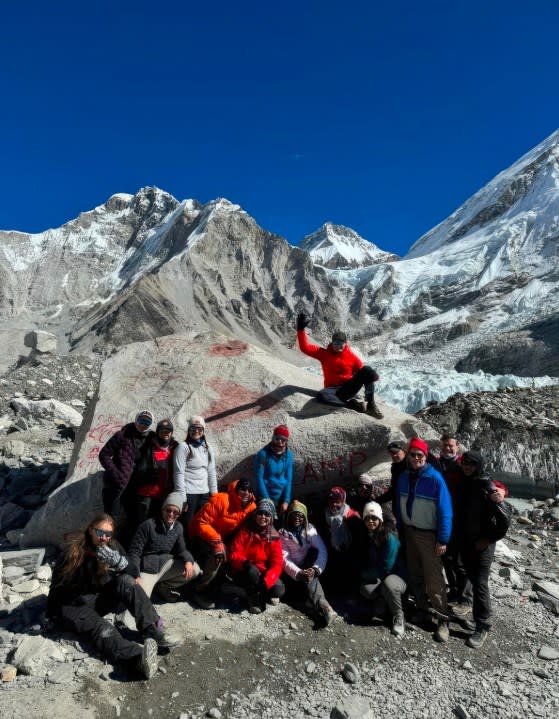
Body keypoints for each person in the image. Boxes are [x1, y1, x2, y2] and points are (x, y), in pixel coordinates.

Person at [46, 514, 173, 679]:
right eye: (100, 532)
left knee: (126, 581)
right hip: (72, 606)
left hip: (95, 598)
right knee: (103, 629)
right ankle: (137, 659)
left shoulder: (112, 546)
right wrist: (50, 615)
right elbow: (56, 586)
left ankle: (154, 631)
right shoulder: (73, 551)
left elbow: (134, 572)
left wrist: (119, 562)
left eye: (108, 534)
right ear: (91, 530)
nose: (104, 537)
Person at [393, 437, 453, 642]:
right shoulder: (403, 477)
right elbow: (398, 504)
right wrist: (401, 527)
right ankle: (422, 609)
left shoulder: (435, 479)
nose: (416, 457)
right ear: (408, 456)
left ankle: (443, 620)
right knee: (415, 573)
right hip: (409, 532)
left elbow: (446, 511)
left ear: (426, 457)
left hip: (429, 535)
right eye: (413, 454)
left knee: (434, 579)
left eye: (420, 455)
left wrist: (442, 539)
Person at [454, 450, 511, 649]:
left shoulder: (486, 484)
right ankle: (475, 615)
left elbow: (505, 518)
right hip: (467, 541)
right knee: (470, 577)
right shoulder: (463, 481)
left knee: (480, 584)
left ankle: (483, 625)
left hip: (482, 544)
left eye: (471, 464)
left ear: (478, 465)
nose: (467, 467)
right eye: (464, 463)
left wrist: (489, 538)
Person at [296, 312, 383, 418]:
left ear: (345, 343)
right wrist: (300, 330)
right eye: (335, 343)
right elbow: (305, 348)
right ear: (332, 343)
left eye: (340, 343)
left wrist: (372, 377)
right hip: (333, 391)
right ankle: (352, 405)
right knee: (321, 396)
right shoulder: (324, 354)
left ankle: (371, 406)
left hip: (348, 389)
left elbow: (364, 374)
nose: (337, 346)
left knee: (367, 371)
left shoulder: (352, 357)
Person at [188, 478, 256, 608]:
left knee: (235, 553)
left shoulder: (251, 506)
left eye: (249, 490)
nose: (246, 492)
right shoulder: (221, 499)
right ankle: (200, 590)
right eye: (243, 489)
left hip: (222, 536)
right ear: (236, 490)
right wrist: (218, 542)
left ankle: (220, 585)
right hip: (200, 534)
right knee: (218, 556)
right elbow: (201, 523)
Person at [128, 493, 200, 602]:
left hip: (165, 565)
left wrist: (189, 561)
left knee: (195, 569)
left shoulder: (178, 527)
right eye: (168, 510)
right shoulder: (148, 525)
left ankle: (163, 587)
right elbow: (134, 552)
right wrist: (135, 574)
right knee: (139, 601)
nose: (171, 514)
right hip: (148, 570)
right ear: (163, 509)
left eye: (175, 512)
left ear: (179, 514)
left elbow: (182, 550)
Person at [99, 410, 156, 544]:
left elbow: (166, 444)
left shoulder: (152, 438)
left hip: (136, 486)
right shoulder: (123, 435)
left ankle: (123, 547)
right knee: (109, 518)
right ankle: (104, 547)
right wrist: (115, 472)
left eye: (147, 422)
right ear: (136, 420)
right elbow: (104, 455)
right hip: (115, 484)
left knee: (132, 518)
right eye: (141, 420)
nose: (143, 424)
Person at [279, 500, 336, 626]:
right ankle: (319, 604)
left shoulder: (310, 530)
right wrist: (298, 573)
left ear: (304, 517)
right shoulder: (282, 534)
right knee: (301, 588)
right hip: (291, 573)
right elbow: (284, 559)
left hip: (306, 567)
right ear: (289, 516)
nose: (297, 518)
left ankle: (324, 607)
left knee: (312, 573)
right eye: (294, 514)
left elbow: (322, 550)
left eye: (300, 515)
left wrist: (315, 569)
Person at [228, 499, 285, 614]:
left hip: (262, 572)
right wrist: (245, 563)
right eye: (260, 513)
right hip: (244, 570)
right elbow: (234, 553)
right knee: (252, 572)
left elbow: (277, 563)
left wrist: (267, 581)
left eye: (267, 514)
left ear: (271, 518)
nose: (263, 517)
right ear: (255, 515)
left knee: (279, 589)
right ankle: (254, 598)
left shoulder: (274, 536)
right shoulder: (246, 531)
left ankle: (245, 591)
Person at [359, 501, 407, 637]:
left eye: (374, 518)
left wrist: (365, 574)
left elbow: (387, 567)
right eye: (367, 518)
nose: (371, 521)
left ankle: (399, 616)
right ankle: (383, 601)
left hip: (397, 576)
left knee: (389, 584)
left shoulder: (389, 537)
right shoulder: (370, 536)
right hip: (382, 576)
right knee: (365, 589)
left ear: (380, 519)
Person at [174, 415, 217, 527]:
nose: (196, 431)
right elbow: (178, 472)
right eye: (193, 428)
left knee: (202, 524)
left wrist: (214, 494)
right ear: (189, 430)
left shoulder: (208, 448)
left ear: (203, 430)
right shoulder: (183, 447)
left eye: (199, 428)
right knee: (187, 524)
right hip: (189, 493)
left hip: (204, 493)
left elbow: (211, 471)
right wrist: (182, 497)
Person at [317, 486, 361, 590]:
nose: (334, 504)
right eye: (331, 501)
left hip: (350, 553)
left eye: (338, 501)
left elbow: (359, 541)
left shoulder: (352, 516)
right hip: (333, 552)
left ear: (344, 501)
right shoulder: (325, 515)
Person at [254, 425, 294, 515]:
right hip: (265, 496)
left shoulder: (288, 456)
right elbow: (259, 478)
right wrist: (267, 500)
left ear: (286, 441)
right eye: (277, 438)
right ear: (273, 438)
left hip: (281, 496)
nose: (279, 442)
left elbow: (289, 479)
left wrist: (286, 501)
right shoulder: (263, 455)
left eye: (283, 439)